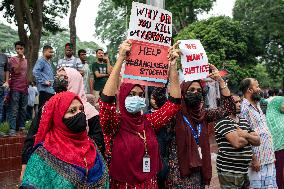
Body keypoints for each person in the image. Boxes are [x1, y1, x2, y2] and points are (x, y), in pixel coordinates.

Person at [99, 40, 181, 188]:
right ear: (122, 96)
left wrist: (173, 66)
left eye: (140, 94)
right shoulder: (113, 124)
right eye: (131, 94)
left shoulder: (148, 121)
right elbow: (105, 102)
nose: (136, 97)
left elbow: (174, 103)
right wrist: (120, 59)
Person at [21, 67, 104, 181]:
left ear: (75, 81)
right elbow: (33, 136)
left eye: (65, 77)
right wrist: (25, 164)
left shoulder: (89, 112)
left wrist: (76, 147)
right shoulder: (48, 107)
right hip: (51, 167)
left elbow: (98, 140)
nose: (60, 80)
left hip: (82, 169)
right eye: (57, 76)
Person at [167, 64, 235, 189]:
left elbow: (228, 108)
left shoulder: (204, 115)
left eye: (199, 91)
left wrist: (220, 80)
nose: (195, 93)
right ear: (182, 93)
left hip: (198, 174)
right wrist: (172, 67)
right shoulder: (174, 114)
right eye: (191, 90)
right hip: (178, 175)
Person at [214, 94, 260, 189]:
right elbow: (237, 143)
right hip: (229, 171)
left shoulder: (243, 121)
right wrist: (250, 137)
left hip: (243, 170)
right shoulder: (223, 121)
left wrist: (245, 134)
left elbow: (258, 141)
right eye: (235, 102)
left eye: (240, 101)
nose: (239, 104)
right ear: (226, 105)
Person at [240, 78, 277, 189]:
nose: (259, 89)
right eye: (257, 86)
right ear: (250, 90)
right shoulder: (244, 108)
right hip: (257, 161)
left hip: (268, 156)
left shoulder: (257, 105)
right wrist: (253, 158)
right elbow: (244, 135)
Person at [148, 87, 175, 189]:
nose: (154, 101)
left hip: (166, 158)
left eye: (156, 98)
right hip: (151, 160)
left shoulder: (169, 116)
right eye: (152, 98)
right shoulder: (145, 116)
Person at [7, 41, 28, 136]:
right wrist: (20, 58)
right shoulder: (12, 59)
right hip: (15, 88)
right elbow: (16, 71)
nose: (19, 50)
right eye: (17, 48)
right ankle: (12, 128)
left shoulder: (27, 61)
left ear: (24, 49)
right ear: (15, 49)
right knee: (14, 109)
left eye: (21, 48)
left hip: (24, 88)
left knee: (23, 109)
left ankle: (21, 127)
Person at [266, 96, 284, 188]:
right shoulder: (270, 117)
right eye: (283, 103)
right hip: (276, 149)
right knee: (278, 171)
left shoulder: (282, 115)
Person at [0, 52, 9, 137]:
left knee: (0, 110)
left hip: (1, 87)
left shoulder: (4, 56)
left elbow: (7, 70)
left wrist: (6, 81)